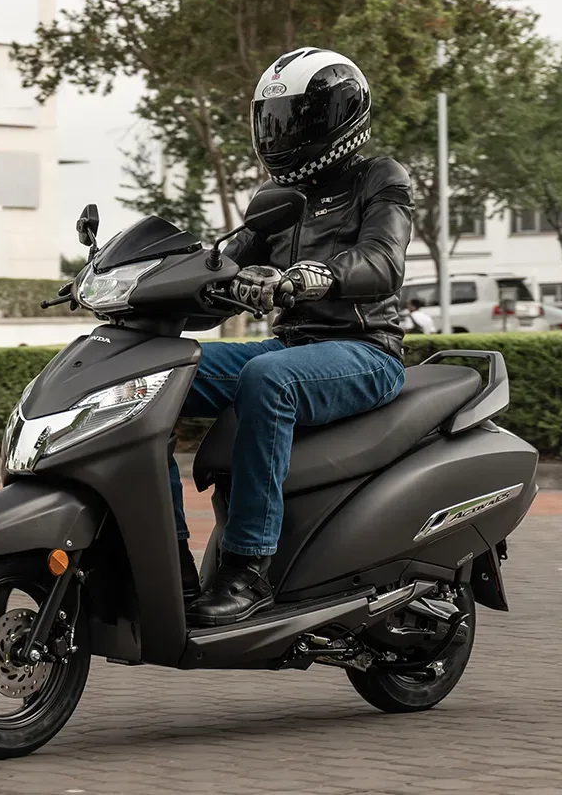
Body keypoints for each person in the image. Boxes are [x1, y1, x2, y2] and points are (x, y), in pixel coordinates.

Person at [173, 47, 412, 627]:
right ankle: (166, 560)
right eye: (272, 119)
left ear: (336, 116)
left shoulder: (379, 178)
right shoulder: (276, 200)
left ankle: (247, 570)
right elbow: (223, 263)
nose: (280, 133)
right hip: (294, 349)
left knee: (268, 379)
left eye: (294, 119)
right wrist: (163, 280)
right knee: (157, 373)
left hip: (366, 350)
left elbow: (383, 260)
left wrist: (317, 276)